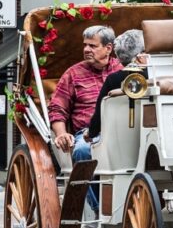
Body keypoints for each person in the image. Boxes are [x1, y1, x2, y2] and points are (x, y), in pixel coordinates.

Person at [48, 25, 123, 159]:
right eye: (85, 45)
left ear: (108, 48)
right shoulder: (73, 74)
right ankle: (85, 181)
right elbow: (57, 108)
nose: (86, 49)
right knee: (82, 150)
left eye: (93, 46)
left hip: (123, 131)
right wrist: (61, 134)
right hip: (87, 134)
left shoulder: (123, 68)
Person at [86, 29, 147, 142]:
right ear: (141, 55)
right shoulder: (155, 75)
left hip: (117, 140)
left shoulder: (113, 79)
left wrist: (90, 132)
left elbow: (98, 117)